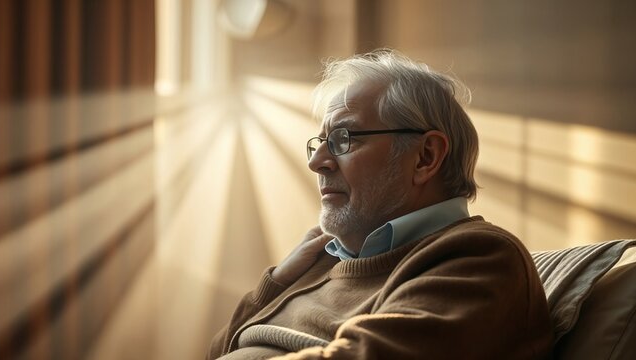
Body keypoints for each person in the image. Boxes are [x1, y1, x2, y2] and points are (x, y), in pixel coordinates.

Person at [207, 49, 554, 359]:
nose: (317, 163)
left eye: (344, 139)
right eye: (321, 142)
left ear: (425, 158)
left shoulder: (480, 258)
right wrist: (278, 281)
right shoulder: (320, 259)